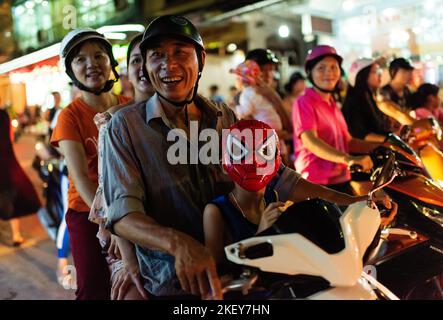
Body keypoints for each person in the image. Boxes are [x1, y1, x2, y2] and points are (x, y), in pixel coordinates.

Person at [102, 17, 391, 300]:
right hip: (171, 281)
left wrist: (354, 203)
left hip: (242, 274)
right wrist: (180, 244)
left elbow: (279, 176)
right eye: (157, 55)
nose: (169, 64)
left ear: (200, 59)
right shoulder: (124, 127)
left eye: (180, 52)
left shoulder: (223, 117)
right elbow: (124, 214)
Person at [50, 28, 131, 300]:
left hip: (131, 207)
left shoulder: (129, 108)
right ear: (72, 71)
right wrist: (108, 223)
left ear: (111, 62)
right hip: (87, 214)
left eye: (99, 56)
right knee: (93, 288)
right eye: (80, 60)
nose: (91, 64)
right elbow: (81, 178)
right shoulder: (69, 117)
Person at [89, 33, 153, 300]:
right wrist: (129, 260)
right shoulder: (114, 122)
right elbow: (111, 192)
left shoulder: (185, 118)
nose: (143, 67)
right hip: (123, 235)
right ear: (127, 69)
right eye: (135, 60)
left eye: (150, 58)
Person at [292, 45, 378, 194]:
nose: (329, 73)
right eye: (321, 68)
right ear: (309, 73)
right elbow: (310, 141)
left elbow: (348, 141)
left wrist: (384, 147)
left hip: (341, 178)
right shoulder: (304, 102)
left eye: (334, 67)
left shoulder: (332, 103)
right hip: (316, 182)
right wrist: (348, 159)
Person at [0, 106, 40, 246]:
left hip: (6, 161)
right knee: (12, 197)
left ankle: (15, 235)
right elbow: (10, 137)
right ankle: (16, 235)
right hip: (7, 161)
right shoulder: (4, 115)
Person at [342, 58, 392, 143]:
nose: (379, 75)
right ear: (362, 75)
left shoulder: (370, 96)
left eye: (379, 71)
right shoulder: (354, 101)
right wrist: (389, 141)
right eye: (374, 72)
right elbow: (359, 134)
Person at [377, 57, 415, 132]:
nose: (408, 75)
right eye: (404, 72)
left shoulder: (408, 91)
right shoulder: (383, 92)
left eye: (410, 72)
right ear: (393, 72)